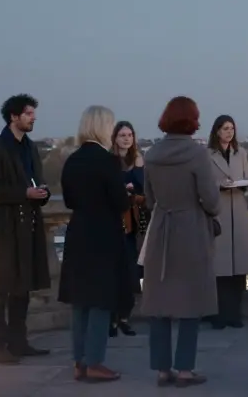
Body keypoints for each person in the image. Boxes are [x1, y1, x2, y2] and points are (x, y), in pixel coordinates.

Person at [141, 96, 221, 387]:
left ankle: (162, 369)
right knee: (191, 300)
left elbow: (150, 199)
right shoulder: (197, 154)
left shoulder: (150, 154)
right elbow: (211, 200)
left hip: (162, 228)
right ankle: (184, 369)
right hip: (191, 229)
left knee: (159, 302)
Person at [0, 93, 52, 364]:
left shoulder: (30, 148)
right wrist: (24, 193)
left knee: (23, 288)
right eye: (29, 113)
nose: (34, 118)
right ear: (14, 116)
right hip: (3, 232)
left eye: (33, 114)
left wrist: (42, 193)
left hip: (27, 227)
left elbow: (37, 180)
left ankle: (18, 342)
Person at [57, 105, 131, 383]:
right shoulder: (107, 161)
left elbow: (68, 200)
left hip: (78, 233)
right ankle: (95, 362)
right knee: (100, 301)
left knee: (80, 303)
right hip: (103, 236)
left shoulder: (72, 160)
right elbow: (120, 202)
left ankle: (80, 361)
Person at [207, 114, 248, 329]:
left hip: (239, 211)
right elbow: (205, 185)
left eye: (231, 128)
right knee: (220, 269)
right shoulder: (207, 155)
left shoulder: (241, 153)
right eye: (225, 128)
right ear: (217, 131)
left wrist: (241, 184)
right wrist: (220, 185)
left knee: (238, 269)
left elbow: (247, 180)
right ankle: (219, 314)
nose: (229, 132)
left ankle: (235, 314)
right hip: (220, 212)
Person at [110, 120, 145, 337]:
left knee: (131, 272)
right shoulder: (110, 161)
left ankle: (124, 317)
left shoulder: (138, 159)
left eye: (130, 135)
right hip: (114, 222)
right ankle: (112, 319)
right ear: (115, 138)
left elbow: (144, 189)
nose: (126, 138)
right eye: (122, 135)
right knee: (114, 273)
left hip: (133, 223)